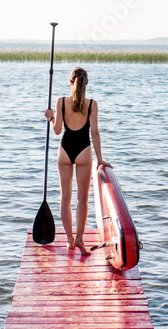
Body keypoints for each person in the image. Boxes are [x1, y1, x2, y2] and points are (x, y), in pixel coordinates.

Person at [43, 66, 110, 255]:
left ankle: (69, 240)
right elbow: (95, 133)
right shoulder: (92, 104)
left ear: (70, 82)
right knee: (82, 200)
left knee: (65, 199)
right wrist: (100, 158)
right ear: (86, 83)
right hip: (84, 152)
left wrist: (50, 117)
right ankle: (80, 239)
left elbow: (57, 131)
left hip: (64, 151)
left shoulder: (61, 102)